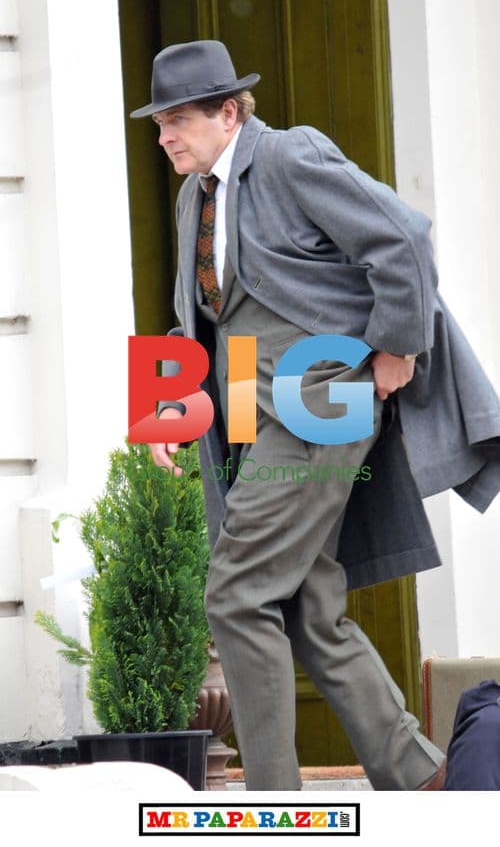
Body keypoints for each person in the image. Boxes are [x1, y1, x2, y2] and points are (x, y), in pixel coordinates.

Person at [130, 40, 500, 790]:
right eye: (160, 123)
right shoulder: (191, 195)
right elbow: (202, 318)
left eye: (178, 121)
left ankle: (272, 800)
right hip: (242, 406)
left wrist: (399, 345)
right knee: (307, 604)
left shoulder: (292, 158)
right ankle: (421, 773)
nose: (165, 136)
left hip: (319, 400)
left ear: (228, 112)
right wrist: (169, 402)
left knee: (236, 591)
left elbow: (403, 235)